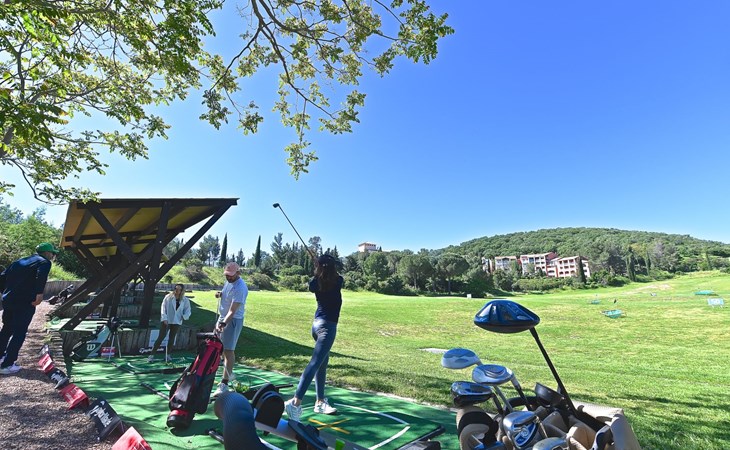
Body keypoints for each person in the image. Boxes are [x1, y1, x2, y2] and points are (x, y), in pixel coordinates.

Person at [284, 254, 343, 421]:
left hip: (316, 326)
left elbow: (314, 283)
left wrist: (317, 268)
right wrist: (320, 265)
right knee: (315, 363)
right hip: (327, 328)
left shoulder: (315, 282)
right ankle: (295, 402)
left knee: (322, 364)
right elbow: (333, 277)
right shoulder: (338, 280)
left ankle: (320, 401)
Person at [0, 243, 59, 375]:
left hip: (9, 300)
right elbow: (41, 276)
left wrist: (5, 292)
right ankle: (7, 364)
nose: (53, 256)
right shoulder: (44, 262)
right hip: (25, 302)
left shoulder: (20, 261)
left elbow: (2, 277)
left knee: (6, 329)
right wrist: (39, 294)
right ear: (47, 253)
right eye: (52, 253)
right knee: (19, 332)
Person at [212, 262, 248, 397]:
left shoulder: (240, 288)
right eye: (226, 275)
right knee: (220, 348)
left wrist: (223, 323)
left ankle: (224, 384)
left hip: (232, 320)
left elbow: (232, 311)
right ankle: (229, 372)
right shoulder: (229, 282)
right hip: (223, 317)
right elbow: (227, 294)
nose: (228, 277)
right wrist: (221, 294)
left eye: (231, 275)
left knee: (228, 351)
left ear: (238, 273)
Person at [148, 284, 191, 362]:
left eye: (179, 289)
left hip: (177, 321)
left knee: (172, 338)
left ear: (182, 291)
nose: (177, 291)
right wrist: (164, 318)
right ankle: (151, 355)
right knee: (161, 337)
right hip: (167, 320)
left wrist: (184, 316)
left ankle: (168, 355)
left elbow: (188, 310)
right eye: (176, 289)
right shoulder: (168, 297)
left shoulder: (185, 300)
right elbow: (163, 308)